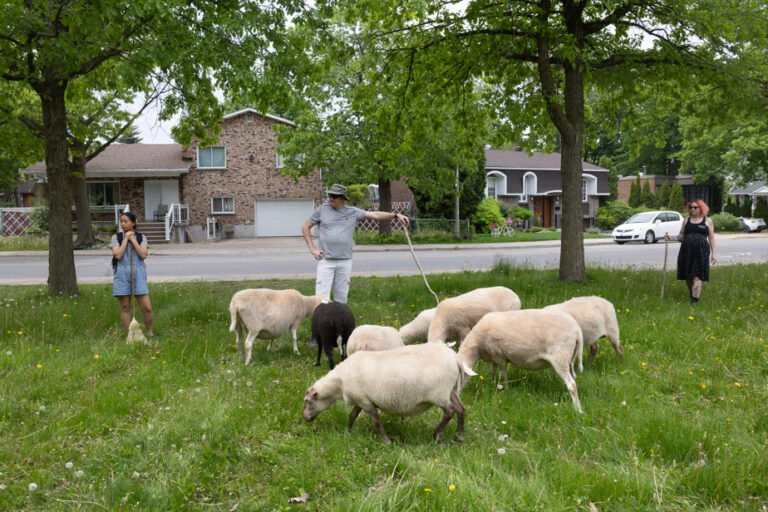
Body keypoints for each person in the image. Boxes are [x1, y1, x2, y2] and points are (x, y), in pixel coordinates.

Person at [302, 183, 410, 303]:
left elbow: (375, 215)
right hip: (326, 261)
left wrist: (396, 215)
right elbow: (306, 226)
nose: (331, 198)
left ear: (343, 198)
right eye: (330, 195)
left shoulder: (352, 212)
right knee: (321, 300)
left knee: (341, 299)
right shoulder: (322, 210)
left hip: (345, 261)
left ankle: (340, 321)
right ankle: (321, 321)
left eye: (335, 196)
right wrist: (312, 249)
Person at [111, 211, 157, 338]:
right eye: (121, 221)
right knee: (125, 307)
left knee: (147, 307)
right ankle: (131, 336)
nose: (123, 224)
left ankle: (149, 333)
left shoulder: (142, 237)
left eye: (126, 221)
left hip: (138, 274)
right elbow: (118, 255)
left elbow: (143, 254)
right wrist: (126, 239)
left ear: (133, 223)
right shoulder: (116, 238)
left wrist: (133, 239)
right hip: (122, 273)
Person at [665, 199, 717, 304]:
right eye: (691, 207)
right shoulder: (686, 221)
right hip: (686, 251)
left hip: (701, 251)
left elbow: (711, 238)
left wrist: (714, 253)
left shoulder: (707, 221)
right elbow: (681, 236)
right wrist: (670, 237)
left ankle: (694, 301)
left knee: (697, 275)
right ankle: (692, 294)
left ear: (701, 208)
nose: (693, 209)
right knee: (688, 276)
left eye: (695, 207)